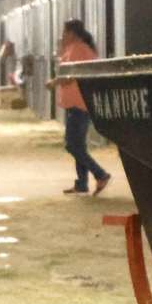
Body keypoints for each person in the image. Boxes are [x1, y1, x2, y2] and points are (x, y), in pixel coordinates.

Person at [51, 18, 113, 196]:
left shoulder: (78, 49)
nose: (62, 36)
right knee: (78, 144)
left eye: (64, 32)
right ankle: (81, 184)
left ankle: (101, 174)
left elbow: (70, 74)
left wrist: (54, 82)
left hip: (79, 103)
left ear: (71, 33)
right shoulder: (76, 48)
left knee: (72, 145)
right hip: (78, 102)